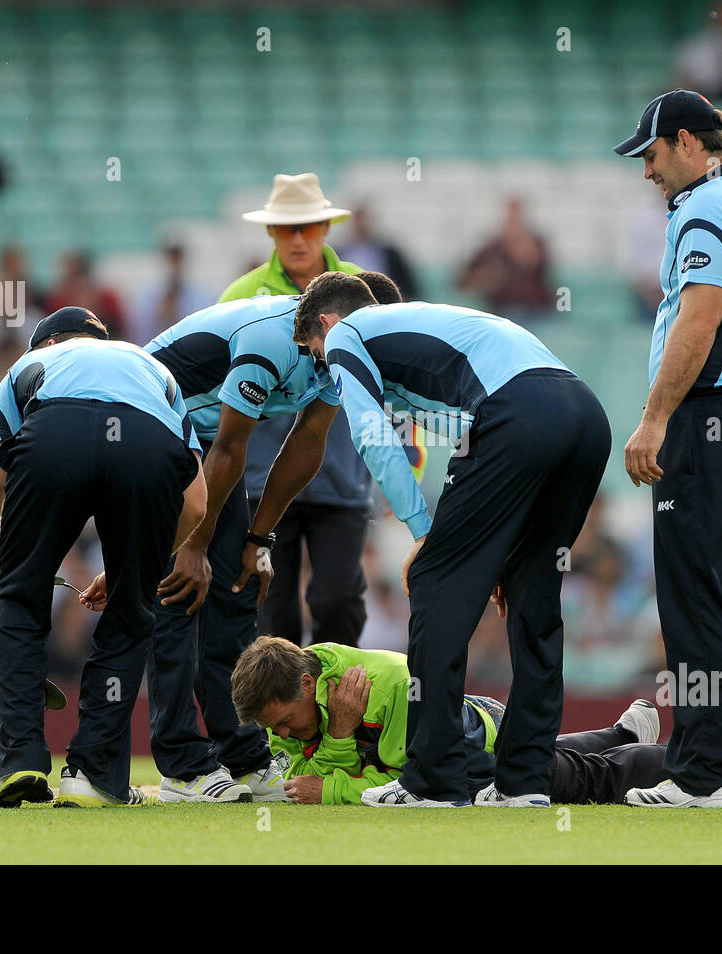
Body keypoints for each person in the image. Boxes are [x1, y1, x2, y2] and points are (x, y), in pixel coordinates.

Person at [295, 273, 611, 808]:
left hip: (519, 413)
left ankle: (434, 780)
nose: (323, 370)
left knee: (434, 582)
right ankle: (524, 782)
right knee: (532, 596)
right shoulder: (423, 331)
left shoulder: (349, 335)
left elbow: (375, 441)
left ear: (326, 324)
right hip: (583, 415)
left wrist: (424, 536)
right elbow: (467, 440)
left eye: (315, 354)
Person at [123, 271, 401, 803]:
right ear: (331, 323)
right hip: (150, 430)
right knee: (180, 594)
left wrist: (258, 540)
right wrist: (194, 546)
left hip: (199, 444)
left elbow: (308, 441)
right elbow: (229, 452)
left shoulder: (336, 354)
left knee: (235, 593)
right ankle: (182, 769)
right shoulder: (270, 340)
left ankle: (242, 755)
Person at [615, 89, 722, 808]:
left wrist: (655, 417)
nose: (647, 172)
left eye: (651, 155)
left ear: (687, 142)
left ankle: (704, 769)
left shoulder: (704, 211)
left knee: (695, 592)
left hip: (710, 416)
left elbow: (701, 315)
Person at [0, 307, 208, 808]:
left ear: (47, 345)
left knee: (22, 596)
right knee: (129, 615)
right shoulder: (149, 367)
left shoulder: (29, 367)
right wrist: (127, 576)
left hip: (56, 433)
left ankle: (19, 759)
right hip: (146, 443)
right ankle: (93, 775)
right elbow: (198, 502)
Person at [222, 173, 414, 650]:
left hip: (342, 477)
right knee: (273, 609)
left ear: (326, 227)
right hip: (263, 483)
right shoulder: (239, 296)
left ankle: (335, 709)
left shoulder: (362, 293)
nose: (299, 237)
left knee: (338, 600)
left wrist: (408, 458)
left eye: (308, 226)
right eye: (287, 228)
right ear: (271, 233)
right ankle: (280, 718)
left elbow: (396, 375)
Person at [230, 636, 667, 805]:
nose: (281, 736)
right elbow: (302, 780)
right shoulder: (284, 705)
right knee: (540, 760)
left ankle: (670, 761)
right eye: (274, 730)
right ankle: (622, 734)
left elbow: (408, 782)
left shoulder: (387, 688)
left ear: (308, 685)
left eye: (285, 723)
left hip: (473, 739)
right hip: (461, 724)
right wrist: (341, 741)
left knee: (539, 777)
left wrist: (337, 770)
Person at [455, 196, 555, 322]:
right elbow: (463, 282)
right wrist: (485, 279)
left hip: (535, 311)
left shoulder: (536, 244)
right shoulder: (491, 249)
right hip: (500, 311)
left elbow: (536, 267)